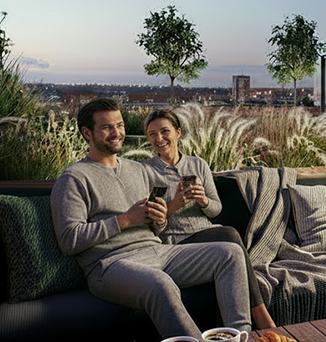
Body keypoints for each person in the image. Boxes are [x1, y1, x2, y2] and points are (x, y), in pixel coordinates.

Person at [51, 99, 251, 339]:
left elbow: (157, 228)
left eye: (120, 125)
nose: (117, 133)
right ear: (87, 133)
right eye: (106, 127)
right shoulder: (73, 178)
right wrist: (124, 220)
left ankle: (240, 336)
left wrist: (159, 219)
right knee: (160, 284)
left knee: (230, 253)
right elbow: (69, 240)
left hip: (158, 251)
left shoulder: (138, 170)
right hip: (110, 265)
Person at [143, 109, 276, 330]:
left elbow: (216, 210)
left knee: (227, 237)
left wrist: (203, 200)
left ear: (178, 132)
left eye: (164, 131)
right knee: (229, 234)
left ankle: (231, 332)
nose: (159, 139)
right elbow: (151, 226)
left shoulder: (198, 165)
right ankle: (261, 316)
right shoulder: (146, 172)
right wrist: (175, 204)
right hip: (177, 245)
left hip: (207, 235)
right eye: (152, 134)